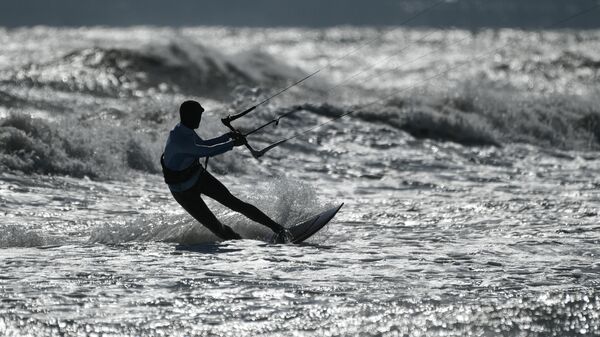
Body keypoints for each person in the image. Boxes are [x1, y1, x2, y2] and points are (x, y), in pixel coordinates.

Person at [161, 100, 290, 242]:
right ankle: (240, 244)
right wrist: (233, 144)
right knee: (218, 229)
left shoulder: (185, 129)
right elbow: (206, 151)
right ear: (188, 116)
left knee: (236, 204)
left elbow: (203, 144)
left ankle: (279, 229)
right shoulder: (179, 139)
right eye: (197, 116)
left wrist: (226, 137)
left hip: (197, 176)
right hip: (183, 192)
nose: (199, 120)